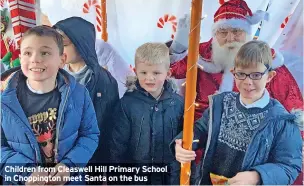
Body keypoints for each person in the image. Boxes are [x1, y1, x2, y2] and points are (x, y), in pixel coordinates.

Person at [168, 0, 304, 167]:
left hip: (250, 143)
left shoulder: (264, 59)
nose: (230, 38)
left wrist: (297, 142)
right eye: (223, 32)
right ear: (215, 33)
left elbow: (292, 104)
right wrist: (178, 46)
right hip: (204, 135)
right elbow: (168, 70)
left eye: (236, 31)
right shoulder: (202, 53)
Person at [172, 40, 303, 185]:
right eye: (241, 74)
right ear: (234, 73)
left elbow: (289, 167)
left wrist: (258, 176)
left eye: (256, 75)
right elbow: (200, 130)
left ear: (270, 76)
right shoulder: (220, 104)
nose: (247, 82)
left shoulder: (282, 121)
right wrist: (182, 144)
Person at [0, 26, 100, 185]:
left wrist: (69, 166)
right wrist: (24, 173)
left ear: (62, 59)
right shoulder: (4, 101)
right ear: (20, 56)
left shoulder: (79, 94)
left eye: (44, 53)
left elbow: (90, 135)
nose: (35, 59)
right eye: (27, 53)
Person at [109, 43, 184, 185]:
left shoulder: (178, 104)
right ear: (136, 71)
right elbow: (117, 146)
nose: (149, 78)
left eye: (156, 73)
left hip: (170, 178)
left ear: (167, 73)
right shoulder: (127, 104)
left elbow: (183, 142)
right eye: (144, 73)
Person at [53, 17, 119, 162]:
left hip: (89, 158)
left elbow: (107, 128)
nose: (58, 50)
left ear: (80, 43)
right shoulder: (53, 75)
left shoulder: (103, 81)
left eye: (63, 44)